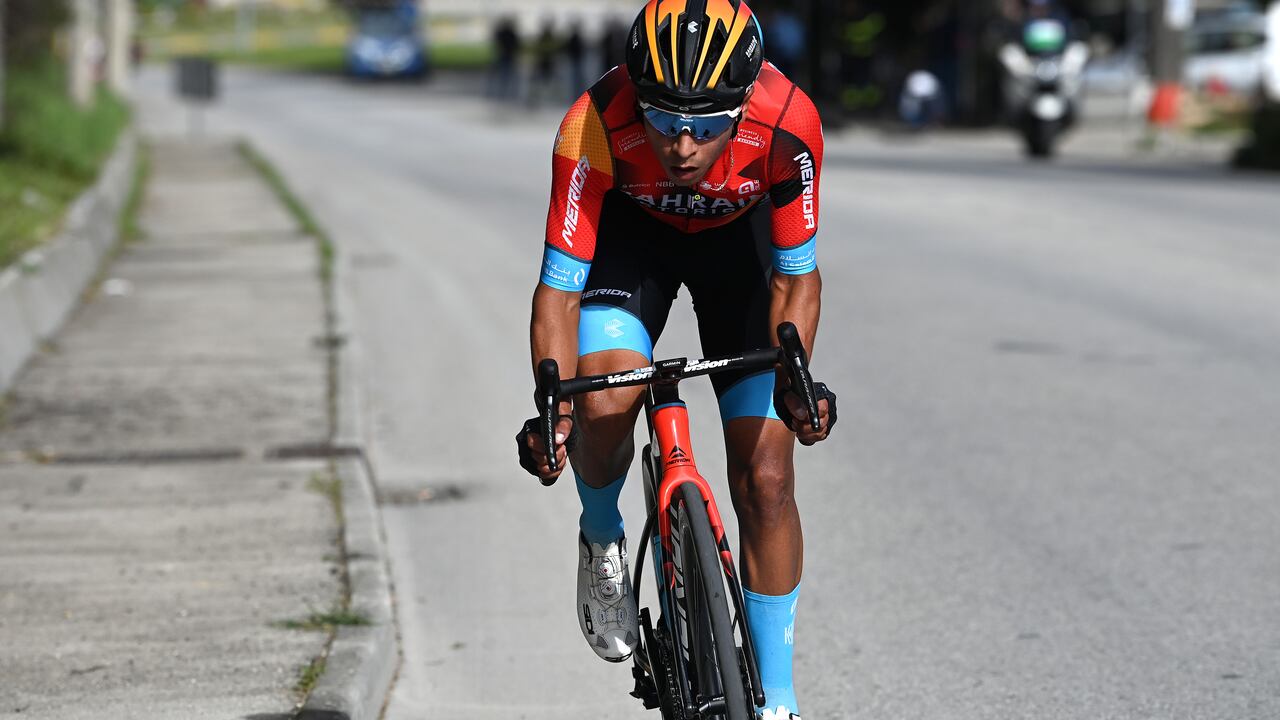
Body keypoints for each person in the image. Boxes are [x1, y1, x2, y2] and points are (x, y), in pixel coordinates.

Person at [517, 2, 837, 719]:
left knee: (768, 478)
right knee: (601, 404)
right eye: (662, 119)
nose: (684, 144)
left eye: (707, 123)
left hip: (740, 254)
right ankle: (602, 535)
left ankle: (779, 702)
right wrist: (553, 408)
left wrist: (797, 382)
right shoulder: (592, 123)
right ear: (637, 94)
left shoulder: (791, 124)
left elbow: (797, 279)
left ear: (745, 101)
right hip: (633, 242)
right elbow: (558, 296)